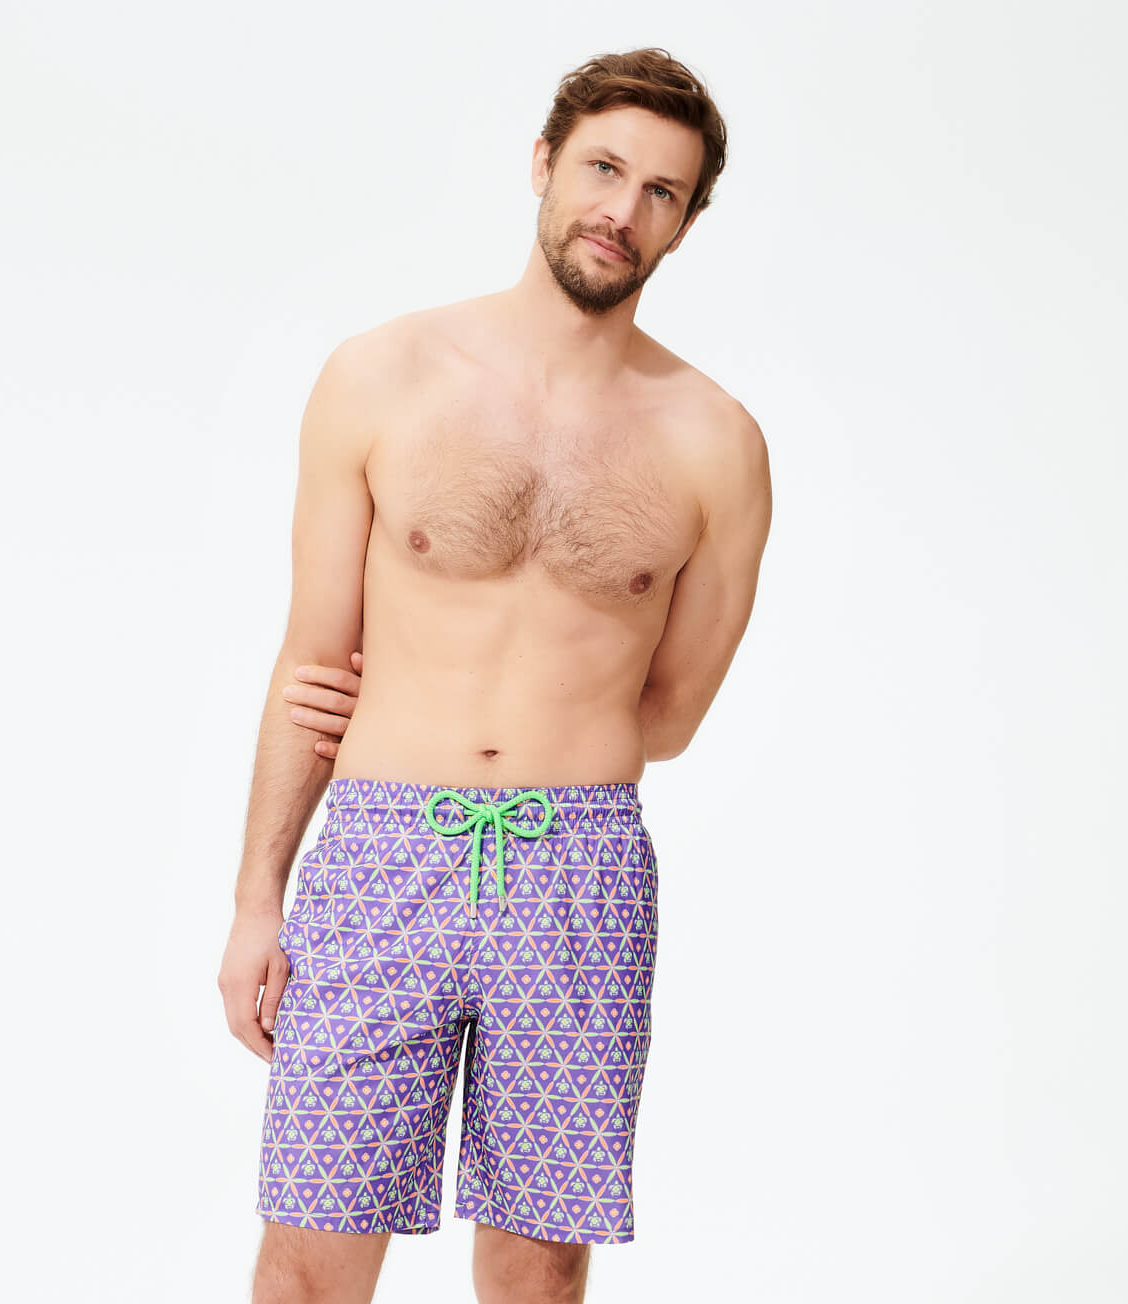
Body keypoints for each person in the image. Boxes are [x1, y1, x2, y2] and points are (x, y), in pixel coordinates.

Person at [218, 47, 772, 1304]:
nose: (621, 210)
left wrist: (548, 723)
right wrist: (257, 900)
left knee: (538, 1268)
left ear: (685, 224)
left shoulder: (717, 445)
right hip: (378, 856)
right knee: (308, 1254)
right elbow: (312, 663)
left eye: (661, 192)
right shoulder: (380, 376)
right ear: (541, 163)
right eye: (602, 168)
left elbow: (669, 712)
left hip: (578, 870)